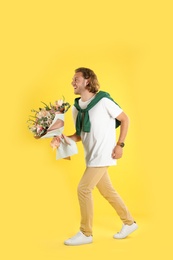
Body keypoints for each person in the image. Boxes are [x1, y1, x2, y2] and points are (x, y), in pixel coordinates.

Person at [52, 67, 138, 246]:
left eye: (76, 79)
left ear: (88, 81)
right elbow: (79, 134)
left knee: (83, 189)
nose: (72, 82)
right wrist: (63, 138)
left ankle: (86, 233)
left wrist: (120, 144)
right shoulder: (76, 109)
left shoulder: (103, 101)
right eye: (72, 79)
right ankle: (129, 222)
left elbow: (125, 119)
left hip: (104, 153)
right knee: (107, 191)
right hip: (91, 156)